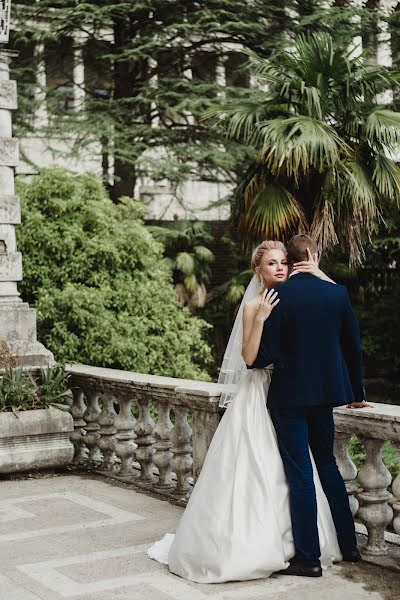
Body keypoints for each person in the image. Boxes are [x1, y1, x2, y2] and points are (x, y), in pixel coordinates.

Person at [147, 238, 355, 583]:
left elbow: (333, 304)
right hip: (261, 392)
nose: (280, 268)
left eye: (283, 262)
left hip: (287, 393)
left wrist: (318, 273)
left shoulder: (293, 298)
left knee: (290, 473)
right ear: (258, 270)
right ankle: (258, 544)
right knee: (257, 467)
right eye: (272, 263)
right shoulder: (257, 304)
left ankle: (298, 547)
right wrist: (259, 318)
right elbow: (249, 358)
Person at [250, 234, 371, 578]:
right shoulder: (337, 293)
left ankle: (309, 559)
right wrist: (356, 392)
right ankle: (349, 546)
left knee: (301, 475)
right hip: (327, 396)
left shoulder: (277, 295)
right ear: (315, 257)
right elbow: (353, 345)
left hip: (288, 397)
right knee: (328, 466)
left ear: (289, 259)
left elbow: (265, 356)